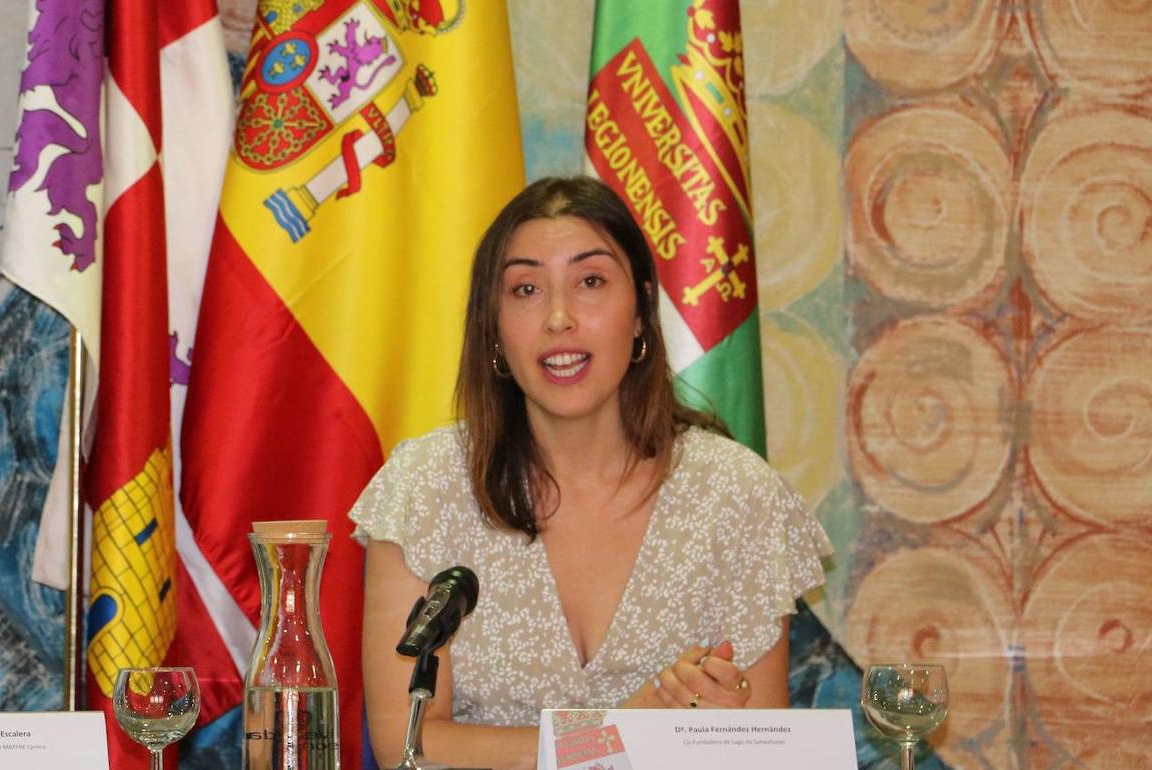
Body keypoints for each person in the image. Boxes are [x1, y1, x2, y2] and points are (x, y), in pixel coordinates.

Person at [349, 176, 832, 770]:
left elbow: (764, 751)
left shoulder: (736, 495)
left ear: (640, 314)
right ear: (493, 330)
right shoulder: (424, 487)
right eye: (525, 289)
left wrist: (716, 725)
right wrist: (617, 735)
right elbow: (410, 742)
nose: (558, 317)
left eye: (591, 282)